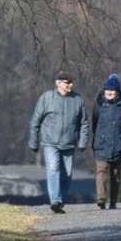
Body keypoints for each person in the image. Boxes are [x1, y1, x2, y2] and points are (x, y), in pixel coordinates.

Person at [27, 70, 89, 213]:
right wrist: (33, 142)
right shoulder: (47, 98)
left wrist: (83, 142)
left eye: (71, 82)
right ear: (58, 83)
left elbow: (84, 123)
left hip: (69, 143)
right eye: (67, 82)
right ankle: (55, 200)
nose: (70, 85)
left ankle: (59, 200)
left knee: (66, 174)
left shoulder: (77, 99)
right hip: (50, 142)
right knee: (53, 169)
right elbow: (35, 121)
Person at [91, 73, 121, 210]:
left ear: (117, 92)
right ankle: (101, 198)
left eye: (112, 90)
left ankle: (113, 201)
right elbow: (94, 121)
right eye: (108, 90)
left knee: (115, 174)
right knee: (101, 170)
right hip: (101, 143)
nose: (110, 92)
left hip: (118, 144)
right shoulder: (99, 105)